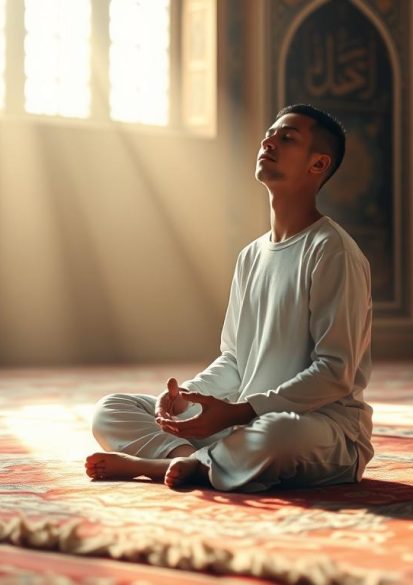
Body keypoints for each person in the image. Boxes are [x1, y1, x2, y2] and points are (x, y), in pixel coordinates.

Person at [85, 104, 373, 492]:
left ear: (318, 164)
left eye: (287, 138)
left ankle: (167, 464)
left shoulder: (332, 251)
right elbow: (234, 359)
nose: (269, 141)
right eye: (269, 134)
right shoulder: (251, 255)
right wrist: (186, 398)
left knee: (277, 435)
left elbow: (335, 371)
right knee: (112, 408)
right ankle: (186, 460)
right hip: (242, 418)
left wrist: (240, 412)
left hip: (320, 428)